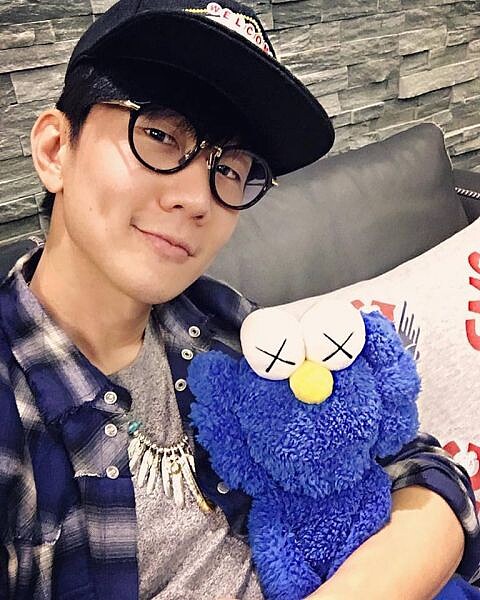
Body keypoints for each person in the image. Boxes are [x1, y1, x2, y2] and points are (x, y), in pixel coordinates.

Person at [0, 0, 478, 598]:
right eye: (159, 135)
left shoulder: (218, 321)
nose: (198, 198)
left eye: (230, 168)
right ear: (55, 150)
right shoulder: (16, 417)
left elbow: (422, 469)